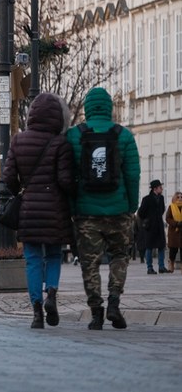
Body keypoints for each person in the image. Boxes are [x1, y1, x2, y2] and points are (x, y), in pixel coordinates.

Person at [65, 86, 140, 330]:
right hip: (119, 211)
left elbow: (68, 177)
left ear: (87, 108)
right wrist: (131, 205)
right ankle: (115, 301)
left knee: (90, 263)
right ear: (109, 108)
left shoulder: (74, 135)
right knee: (120, 256)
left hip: (86, 213)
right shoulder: (124, 135)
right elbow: (132, 175)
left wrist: (73, 207)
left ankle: (96, 312)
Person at [2, 92, 76, 329]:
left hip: (29, 210)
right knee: (53, 255)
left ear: (32, 114)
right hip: (55, 210)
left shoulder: (18, 140)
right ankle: (51, 295)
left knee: (32, 260)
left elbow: (9, 177)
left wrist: (21, 191)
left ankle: (36, 312)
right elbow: (66, 181)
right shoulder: (60, 143)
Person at [138, 180, 168, 274]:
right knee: (149, 247)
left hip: (159, 225)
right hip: (150, 226)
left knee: (161, 246)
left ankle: (161, 267)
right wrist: (148, 219)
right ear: (155, 188)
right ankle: (149, 267)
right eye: (160, 187)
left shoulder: (162, 198)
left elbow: (162, 209)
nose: (162, 189)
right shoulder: (146, 199)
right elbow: (141, 212)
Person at [166, 191, 182, 273]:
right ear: (174, 198)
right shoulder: (171, 207)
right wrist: (176, 223)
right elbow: (168, 218)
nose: (180, 199)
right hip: (174, 232)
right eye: (178, 197)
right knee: (173, 250)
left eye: (181, 197)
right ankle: (171, 264)